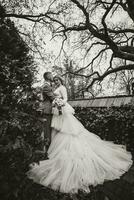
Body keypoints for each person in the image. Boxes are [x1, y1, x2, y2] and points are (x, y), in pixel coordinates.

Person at [27, 75, 133, 194]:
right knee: (58, 131)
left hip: (62, 110)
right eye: (55, 79)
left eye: (57, 80)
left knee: (68, 131)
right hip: (56, 112)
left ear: (60, 80)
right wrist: (55, 103)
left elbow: (65, 98)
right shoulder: (52, 87)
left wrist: (60, 103)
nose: (56, 81)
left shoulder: (62, 88)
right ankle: (55, 148)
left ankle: (67, 148)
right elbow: (50, 97)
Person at [41, 72, 55, 150]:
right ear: (48, 76)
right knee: (47, 131)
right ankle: (47, 150)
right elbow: (53, 97)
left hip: (50, 110)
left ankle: (50, 148)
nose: (52, 76)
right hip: (47, 110)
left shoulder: (49, 85)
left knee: (50, 130)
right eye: (51, 75)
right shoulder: (46, 86)